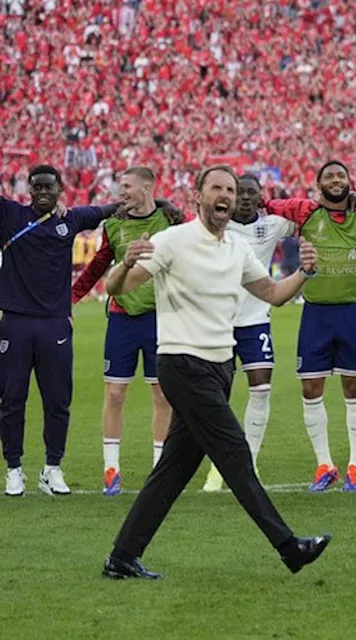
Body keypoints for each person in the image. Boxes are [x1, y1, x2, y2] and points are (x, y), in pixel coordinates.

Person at [100, 164, 329, 580]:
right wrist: (123, 263)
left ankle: (121, 557)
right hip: (183, 364)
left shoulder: (236, 250)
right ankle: (289, 547)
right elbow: (120, 287)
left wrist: (304, 272)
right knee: (235, 455)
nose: (225, 195)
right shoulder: (173, 240)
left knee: (172, 471)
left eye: (231, 189)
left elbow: (274, 295)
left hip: (220, 367)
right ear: (199, 196)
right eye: (217, 188)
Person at [263, 161, 356, 492]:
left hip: (351, 314)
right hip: (315, 313)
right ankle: (324, 465)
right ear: (318, 184)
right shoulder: (305, 211)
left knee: (354, 388)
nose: (336, 181)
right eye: (329, 176)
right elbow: (263, 203)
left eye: (341, 176)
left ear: (349, 181)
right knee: (310, 388)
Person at [2, 165, 120, 497]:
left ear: (60, 190)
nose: (42, 192)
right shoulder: (10, 215)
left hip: (55, 322)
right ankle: (14, 469)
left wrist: (162, 205)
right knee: (12, 399)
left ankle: (52, 468)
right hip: (15, 320)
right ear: (28, 188)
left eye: (48, 187)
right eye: (36, 186)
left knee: (58, 400)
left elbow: (112, 209)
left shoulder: (72, 220)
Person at [70, 167, 183, 496]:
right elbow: (99, 264)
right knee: (115, 393)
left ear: (148, 187)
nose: (121, 192)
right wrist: (72, 298)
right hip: (121, 318)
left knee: (162, 394)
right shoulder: (115, 224)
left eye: (127, 187)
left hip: (160, 319)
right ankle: (111, 469)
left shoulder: (171, 220)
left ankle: (159, 470)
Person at [201, 174, 297, 492]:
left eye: (250, 193)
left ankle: (249, 460)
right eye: (239, 191)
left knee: (261, 389)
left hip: (256, 320)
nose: (243, 197)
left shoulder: (273, 225)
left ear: (260, 197)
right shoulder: (214, 224)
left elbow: (308, 213)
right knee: (218, 395)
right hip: (220, 322)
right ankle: (218, 464)